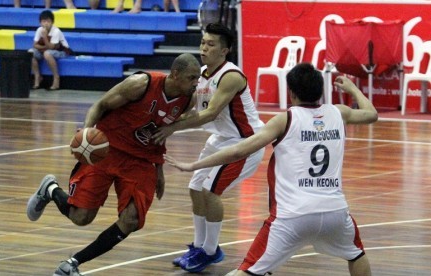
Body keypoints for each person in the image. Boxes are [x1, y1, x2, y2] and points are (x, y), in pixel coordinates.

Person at [164, 63, 377, 276]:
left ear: (291, 93)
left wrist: (194, 165)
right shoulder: (338, 113)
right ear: (320, 90)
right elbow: (371, 114)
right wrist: (352, 89)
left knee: (247, 271)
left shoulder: (286, 119)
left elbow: (238, 151)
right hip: (335, 211)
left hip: (293, 215)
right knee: (356, 254)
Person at [26, 53, 201, 276]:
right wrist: (87, 133)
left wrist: (159, 169)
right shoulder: (140, 85)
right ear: (175, 75)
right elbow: (100, 105)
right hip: (109, 149)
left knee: (132, 219)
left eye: (198, 78)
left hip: (141, 159)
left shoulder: (188, 100)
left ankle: (72, 263)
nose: (196, 83)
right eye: (192, 78)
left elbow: (159, 132)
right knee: (81, 218)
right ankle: (50, 190)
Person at [151, 23, 265, 273]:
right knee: (195, 188)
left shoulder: (231, 76)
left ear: (225, 50)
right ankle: (200, 246)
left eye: (211, 44)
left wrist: (172, 128)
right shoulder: (201, 73)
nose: (204, 48)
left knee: (210, 190)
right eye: (203, 42)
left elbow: (210, 112)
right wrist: (165, 119)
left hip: (246, 142)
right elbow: (193, 108)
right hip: (220, 138)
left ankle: (211, 252)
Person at [28, 10, 71, 90]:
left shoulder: (56, 31)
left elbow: (51, 47)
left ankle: (56, 78)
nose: (46, 24)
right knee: (30, 52)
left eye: (48, 21)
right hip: (47, 50)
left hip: (62, 51)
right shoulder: (39, 30)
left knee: (47, 53)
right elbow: (34, 45)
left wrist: (44, 37)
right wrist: (44, 47)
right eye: (44, 21)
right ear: (40, 22)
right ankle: (37, 77)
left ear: (52, 22)